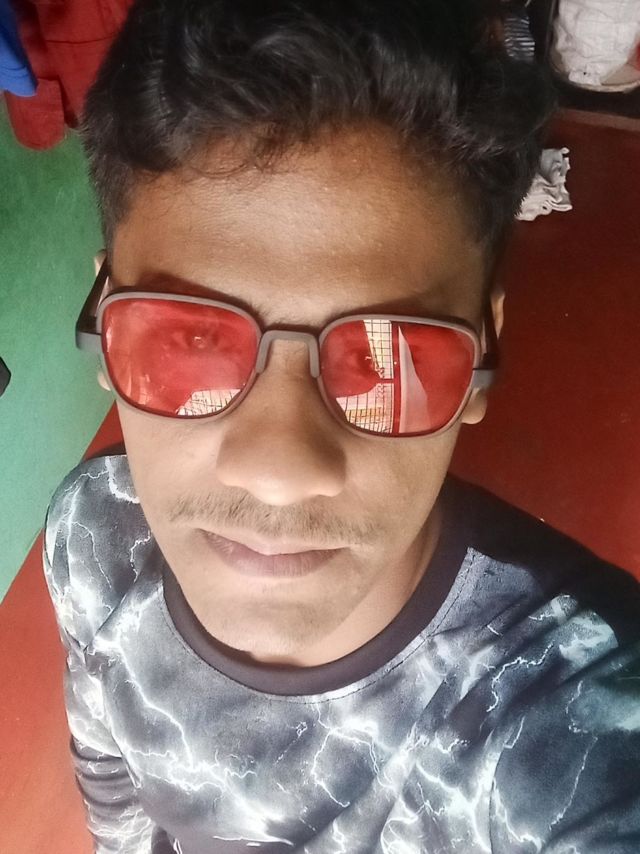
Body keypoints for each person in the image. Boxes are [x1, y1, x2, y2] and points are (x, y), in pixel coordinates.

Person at [42, 1, 640, 852]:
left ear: (485, 351)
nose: (280, 470)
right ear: (104, 326)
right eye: (192, 338)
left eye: (386, 355)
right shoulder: (94, 533)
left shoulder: (579, 720)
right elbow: (107, 764)